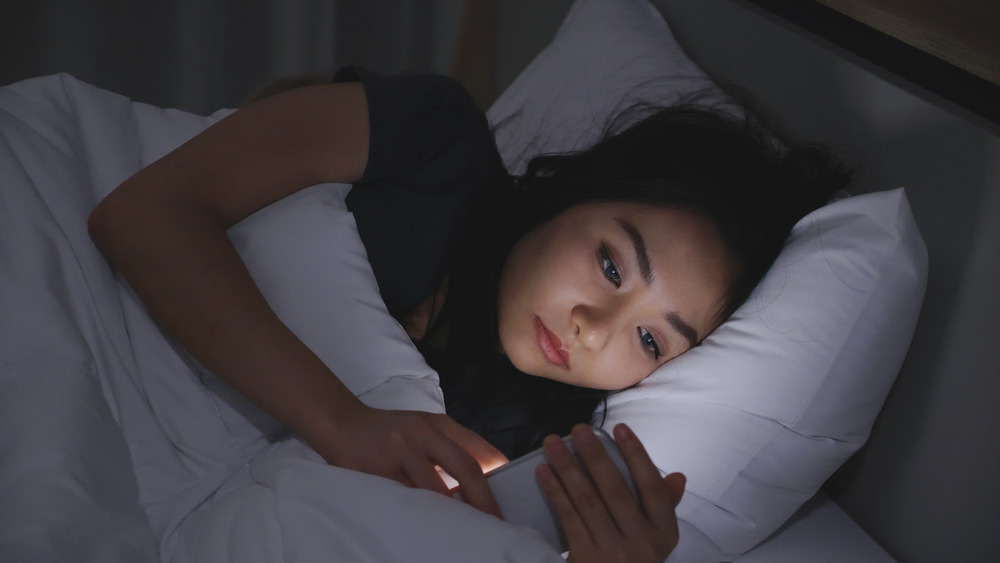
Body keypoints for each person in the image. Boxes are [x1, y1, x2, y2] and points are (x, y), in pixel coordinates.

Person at [88, 68, 848, 562]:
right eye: (612, 264)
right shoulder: (436, 144)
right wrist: (340, 418)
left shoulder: (529, 449)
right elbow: (144, 210)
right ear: (578, 191)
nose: (594, 325)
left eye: (651, 338)